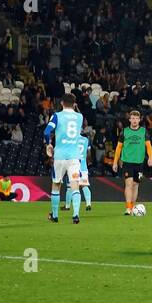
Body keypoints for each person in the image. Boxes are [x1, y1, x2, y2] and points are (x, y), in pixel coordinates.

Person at [45, 93, 85, 224]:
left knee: (56, 185)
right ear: (74, 104)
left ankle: (55, 216)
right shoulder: (79, 117)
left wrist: (49, 144)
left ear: (62, 103)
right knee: (75, 186)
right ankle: (76, 215)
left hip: (60, 156)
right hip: (74, 156)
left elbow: (46, 132)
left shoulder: (57, 116)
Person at [113, 109, 152, 216]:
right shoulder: (125, 131)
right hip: (127, 162)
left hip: (139, 162)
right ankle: (128, 208)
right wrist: (115, 162)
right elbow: (118, 147)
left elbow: (148, 145)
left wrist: (150, 157)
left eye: (137, 118)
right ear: (130, 119)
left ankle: (132, 206)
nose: (135, 120)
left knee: (136, 185)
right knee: (129, 184)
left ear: (139, 120)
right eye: (133, 118)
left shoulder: (143, 131)